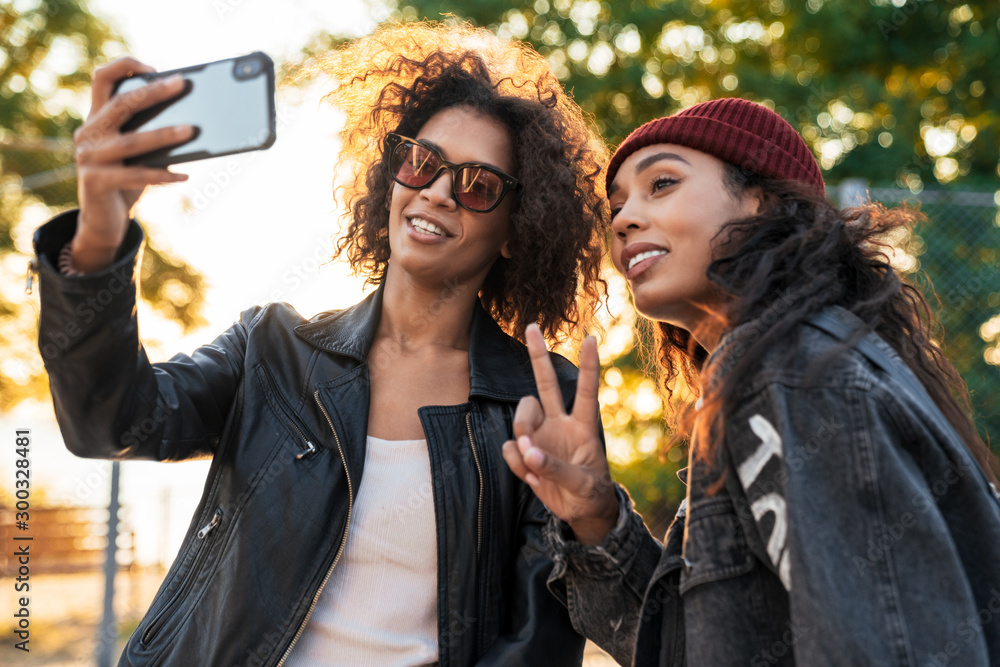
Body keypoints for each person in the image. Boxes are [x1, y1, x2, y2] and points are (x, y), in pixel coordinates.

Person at [32, 22, 609, 666]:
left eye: (477, 185)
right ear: (393, 178)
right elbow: (108, 422)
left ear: (513, 230)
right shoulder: (272, 351)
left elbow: (537, 641)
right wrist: (98, 236)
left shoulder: (540, 398)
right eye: (422, 161)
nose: (438, 191)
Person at [502, 98, 1000, 666]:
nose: (622, 219)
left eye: (661, 183)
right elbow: (702, 646)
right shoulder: (781, 368)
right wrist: (596, 519)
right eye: (616, 207)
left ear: (762, 201)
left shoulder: (791, 376)